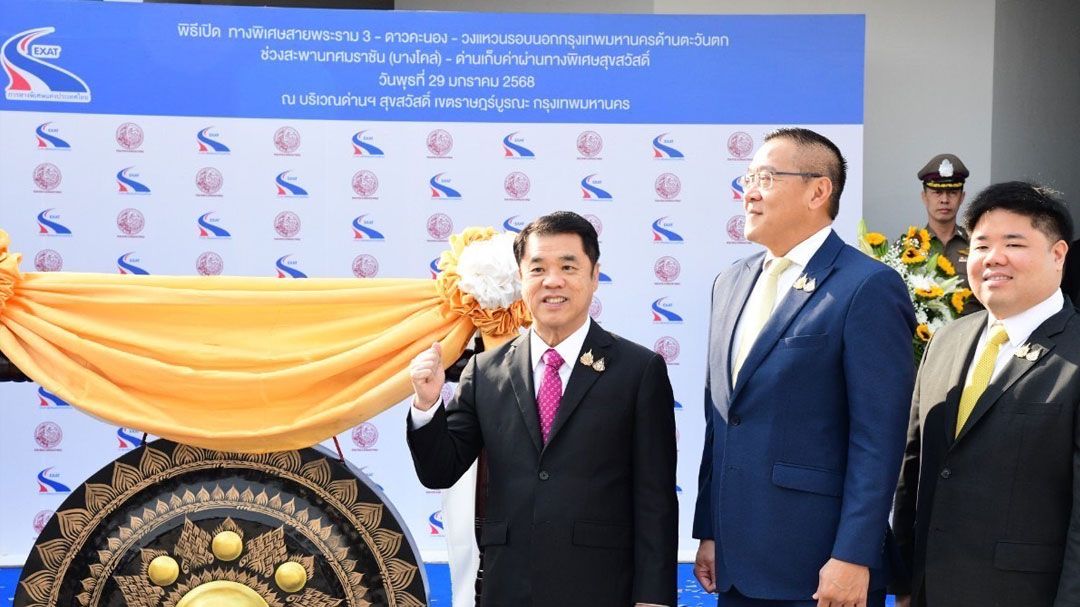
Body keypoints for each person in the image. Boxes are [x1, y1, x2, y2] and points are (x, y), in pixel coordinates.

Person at [407, 211, 678, 607]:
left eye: (569, 266)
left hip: (601, 588)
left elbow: (655, 497)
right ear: (521, 277)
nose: (553, 281)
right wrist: (427, 405)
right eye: (538, 268)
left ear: (594, 275)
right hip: (507, 587)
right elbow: (439, 470)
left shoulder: (637, 371)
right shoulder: (486, 371)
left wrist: (653, 598)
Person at [692, 128, 917, 606]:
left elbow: (878, 438)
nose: (749, 191)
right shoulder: (729, 283)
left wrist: (854, 555)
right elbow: (722, 419)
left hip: (821, 572)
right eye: (748, 177)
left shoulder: (867, 287)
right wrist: (709, 531)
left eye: (767, 177)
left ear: (819, 190)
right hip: (736, 567)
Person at [892, 181, 1079, 607]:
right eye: (981, 245)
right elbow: (914, 469)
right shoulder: (946, 341)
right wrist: (904, 582)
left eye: (1013, 243)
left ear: (1058, 255)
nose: (993, 258)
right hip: (930, 590)